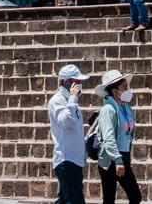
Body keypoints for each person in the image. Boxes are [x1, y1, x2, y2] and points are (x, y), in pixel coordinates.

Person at [93, 68, 140, 204]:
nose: (127, 90)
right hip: (111, 159)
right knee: (118, 198)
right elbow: (108, 138)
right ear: (115, 91)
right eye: (124, 87)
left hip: (123, 156)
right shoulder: (108, 110)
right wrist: (118, 160)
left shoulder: (126, 108)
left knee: (132, 197)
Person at [47, 63, 89, 204]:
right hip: (66, 160)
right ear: (66, 82)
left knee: (65, 200)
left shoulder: (72, 102)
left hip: (75, 160)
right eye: (76, 81)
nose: (80, 84)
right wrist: (72, 99)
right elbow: (64, 122)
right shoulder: (57, 101)